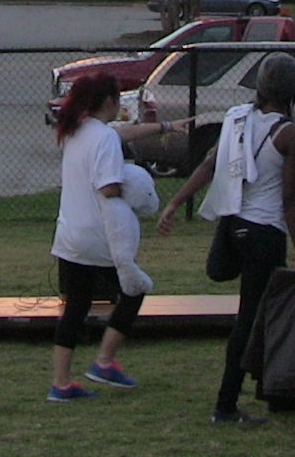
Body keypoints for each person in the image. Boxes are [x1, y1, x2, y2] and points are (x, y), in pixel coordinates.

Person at [158, 52, 295, 426]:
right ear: (292, 91)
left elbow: (209, 165)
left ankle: (273, 391)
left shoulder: (235, 119)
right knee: (252, 319)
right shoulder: (291, 136)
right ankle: (226, 405)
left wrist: (176, 202)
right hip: (265, 232)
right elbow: (290, 200)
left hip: (234, 226)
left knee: (259, 313)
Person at [47, 73, 186, 403]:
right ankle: (104, 361)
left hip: (69, 236)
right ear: (109, 101)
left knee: (76, 308)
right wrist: (137, 187)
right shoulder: (103, 140)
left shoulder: (75, 131)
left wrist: (165, 127)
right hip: (99, 239)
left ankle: (61, 384)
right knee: (134, 291)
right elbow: (108, 188)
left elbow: (121, 134)